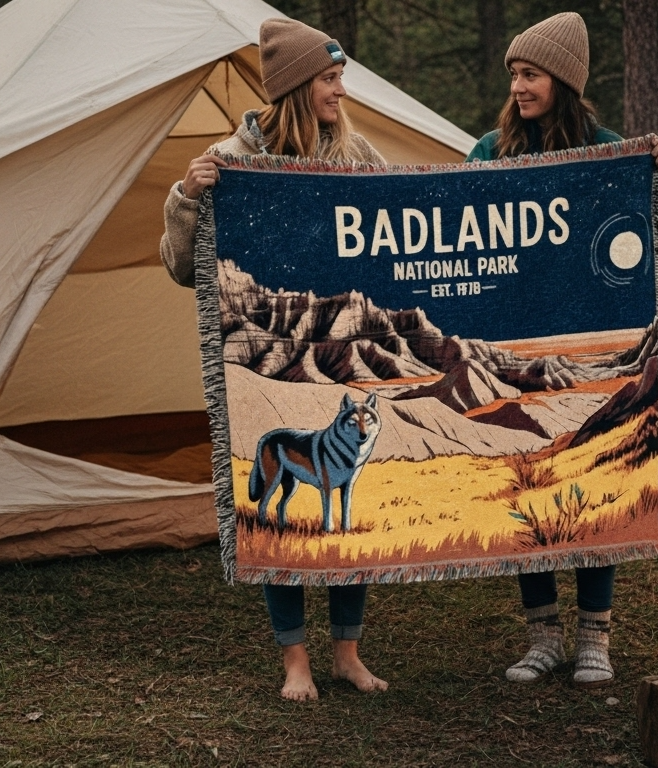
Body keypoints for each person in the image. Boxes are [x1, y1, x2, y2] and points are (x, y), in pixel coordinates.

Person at [160, 18, 387, 702]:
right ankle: (296, 664)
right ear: (294, 87)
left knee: (347, 507)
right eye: (328, 78)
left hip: (342, 360)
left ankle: (347, 653)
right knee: (283, 521)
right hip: (265, 368)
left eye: (340, 77)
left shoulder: (356, 154)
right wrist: (188, 196)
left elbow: (394, 234)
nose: (340, 91)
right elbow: (179, 267)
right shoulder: (229, 160)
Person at [466, 11, 658, 689]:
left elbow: (657, 242)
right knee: (525, 482)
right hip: (515, 350)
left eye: (530, 74)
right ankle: (544, 637)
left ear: (562, 80)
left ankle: (595, 636)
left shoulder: (612, 150)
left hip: (595, 350)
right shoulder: (488, 152)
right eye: (513, 75)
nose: (519, 87)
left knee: (594, 483)